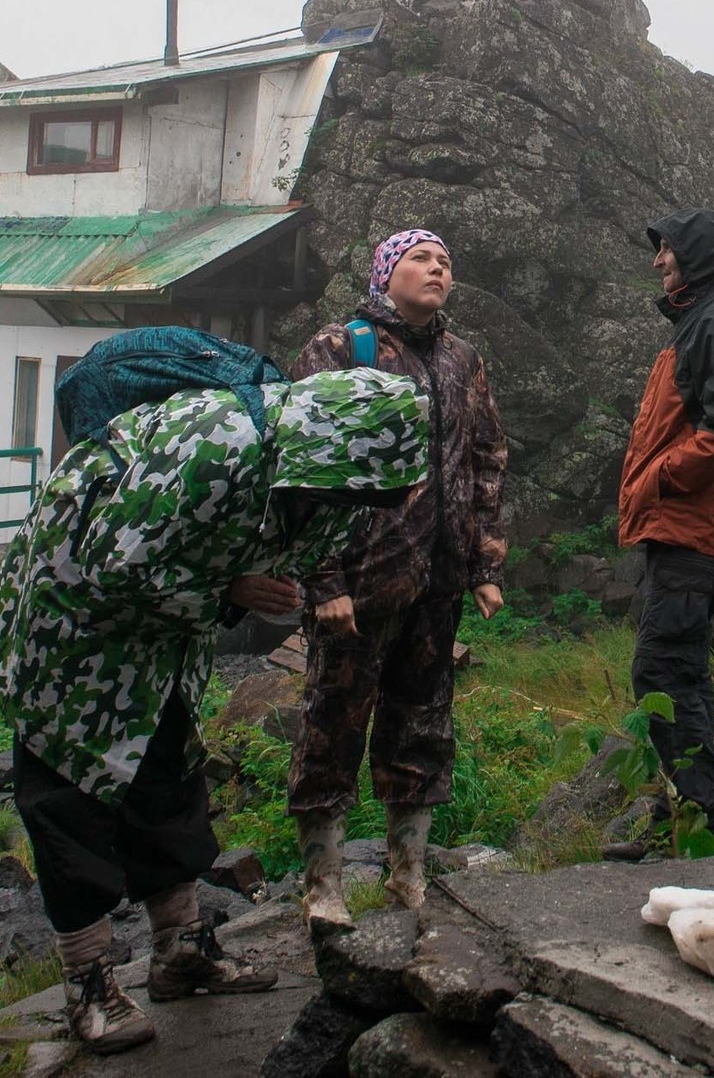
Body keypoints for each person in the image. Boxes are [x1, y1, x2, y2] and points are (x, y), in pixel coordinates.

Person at [0, 361, 431, 1055]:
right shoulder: (215, 448)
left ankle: (181, 951)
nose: (363, 503)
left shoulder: (331, 485)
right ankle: (88, 982)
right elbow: (116, 563)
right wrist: (231, 590)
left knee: (167, 764)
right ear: (333, 450)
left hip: (160, 632)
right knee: (68, 786)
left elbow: (295, 543)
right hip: (70, 620)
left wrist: (252, 584)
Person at [286, 230, 509, 925]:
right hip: (359, 584)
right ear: (386, 271)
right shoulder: (337, 348)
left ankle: (407, 876)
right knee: (333, 725)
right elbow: (301, 472)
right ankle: (323, 885)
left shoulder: (461, 359)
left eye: (446, 261)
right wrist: (323, 583)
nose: (438, 268)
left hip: (437, 585)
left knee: (423, 727)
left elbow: (485, 460)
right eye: (422, 258)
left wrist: (482, 566)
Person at [617, 210, 714, 841]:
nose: (658, 260)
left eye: (669, 250)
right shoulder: (700, 321)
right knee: (679, 670)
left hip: (689, 529)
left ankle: (708, 816)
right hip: (680, 529)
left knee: (664, 672)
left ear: (697, 255)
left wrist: (662, 480)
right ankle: (693, 810)